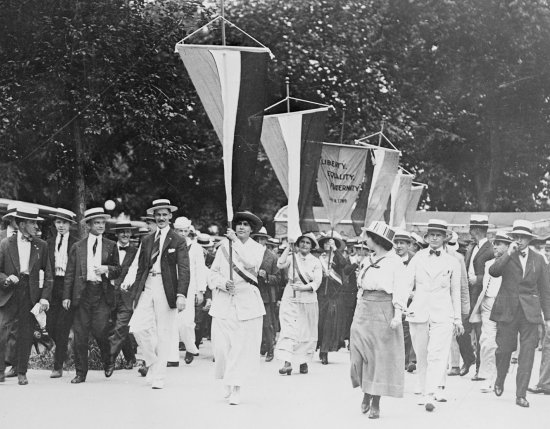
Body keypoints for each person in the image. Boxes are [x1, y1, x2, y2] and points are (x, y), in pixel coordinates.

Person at [128, 199, 189, 389]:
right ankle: (153, 363)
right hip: (147, 286)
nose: (161, 218)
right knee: (136, 328)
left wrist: (181, 294)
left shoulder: (178, 240)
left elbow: (184, 269)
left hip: (167, 288)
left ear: (170, 216)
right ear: (154, 217)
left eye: (164, 214)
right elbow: (140, 269)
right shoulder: (147, 240)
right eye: (158, 215)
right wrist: (135, 294)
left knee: (164, 333)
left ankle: (159, 376)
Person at [489, 220, 550, 408]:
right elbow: (494, 271)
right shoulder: (507, 255)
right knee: (504, 350)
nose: (520, 240)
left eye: (523, 237)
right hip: (507, 309)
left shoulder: (539, 259)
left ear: (529, 239)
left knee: (527, 354)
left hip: (530, 313)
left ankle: (521, 394)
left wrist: (547, 317)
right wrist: (508, 253)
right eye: (516, 237)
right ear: (512, 238)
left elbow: (544, 289)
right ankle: (500, 378)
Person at [350, 222, 408, 419]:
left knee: (379, 357)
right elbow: (360, 287)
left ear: (377, 239)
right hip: (364, 307)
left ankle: (374, 399)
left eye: (368, 236)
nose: (365, 240)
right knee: (358, 353)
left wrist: (398, 314)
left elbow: (401, 288)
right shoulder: (367, 260)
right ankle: (366, 389)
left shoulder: (395, 262)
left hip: (384, 308)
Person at [208, 211, 265, 405]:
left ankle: (236, 387)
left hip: (247, 302)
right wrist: (223, 283)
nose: (241, 227)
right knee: (222, 347)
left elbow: (251, 263)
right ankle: (227, 378)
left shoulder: (257, 248)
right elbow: (212, 274)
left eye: (245, 225)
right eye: (239, 224)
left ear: (251, 230)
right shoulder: (224, 247)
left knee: (240, 348)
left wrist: (236, 242)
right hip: (225, 301)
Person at [406, 219, 464, 412]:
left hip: (443, 312)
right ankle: (424, 389)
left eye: (438, 235)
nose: (434, 238)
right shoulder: (418, 258)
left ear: (445, 238)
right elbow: (407, 283)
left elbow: (456, 291)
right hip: (419, 310)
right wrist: (400, 307)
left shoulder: (453, 262)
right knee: (422, 353)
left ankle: (431, 392)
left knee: (437, 353)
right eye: (431, 235)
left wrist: (457, 318)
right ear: (426, 237)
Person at [63, 207, 121, 384]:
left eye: (103, 222)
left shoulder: (111, 245)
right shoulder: (78, 247)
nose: (101, 226)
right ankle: (81, 373)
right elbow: (70, 272)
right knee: (80, 335)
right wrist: (67, 296)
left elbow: (118, 270)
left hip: (101, 294)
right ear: (88, 225)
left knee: (101, 331)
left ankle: (108, 359)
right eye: (97, 222)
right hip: (82, 293)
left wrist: (107, 269)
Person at [0, 206, 53, 385]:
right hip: (9, 292)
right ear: (22, 225)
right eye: (32, 223)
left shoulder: (42, 245)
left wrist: (44, 297)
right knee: (3, 331)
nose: (36, 226)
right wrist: (6, 279)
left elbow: (48, 275)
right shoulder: (5, 244)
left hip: (30, 293)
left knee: (25, 334)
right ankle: (0, 371)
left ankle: (22, 372)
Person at [275, 232, 322, 376]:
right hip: (291, 296)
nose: (304, 245)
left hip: (307, 297)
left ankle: (303, 361)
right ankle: (287, 363)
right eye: (302, 242)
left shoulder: (315, 262)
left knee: (305, 331)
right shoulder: (292, 258)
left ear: (312, 246)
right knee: (289, 328)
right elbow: (280, 264)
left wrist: (302, 288)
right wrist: (288, 248)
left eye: (308, 243)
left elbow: (317, 282)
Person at [469, 231, 511, 393]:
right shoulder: (488, 265)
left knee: (502, 344)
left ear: (508, 246)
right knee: (487, 341)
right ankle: (487, 377)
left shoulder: (513, 263)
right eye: (494, 242)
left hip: (506, 306)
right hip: (487, 304)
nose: (495, 246)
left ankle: (498, 377)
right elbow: (482, 287)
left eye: (499, 243)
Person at [459, 214, 493, 378]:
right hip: (467, 295)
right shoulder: (471, 247)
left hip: (481, 296)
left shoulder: (491, 249)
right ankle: (469, 358)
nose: (470, 231)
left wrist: (477, 279)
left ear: (477, 230)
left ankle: (480, 368)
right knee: (461, 330)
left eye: (471, 228)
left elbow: (494, 273)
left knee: (480, 334)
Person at [169, 216, 206, 365]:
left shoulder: (195, 247)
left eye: (185, 231)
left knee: (186, 322)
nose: (182, 234)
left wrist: (201, 290)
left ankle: (190, 347)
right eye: (179, 231)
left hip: (190, 287)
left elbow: (200, 269)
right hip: (171, 285)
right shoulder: (170, 244)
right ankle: (172, 357)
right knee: (171, 321)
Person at [46, 208, 78, 378]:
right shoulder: (48, 242)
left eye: (64, 223)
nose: (61, 226)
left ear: (70, 225)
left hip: (68, 285)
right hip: (52, 286)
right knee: (49, 325)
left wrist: (71, 292)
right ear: (54, 224)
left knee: (62, 327)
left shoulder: (76, 243)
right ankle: (63, 350)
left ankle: (57, 366)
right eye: (58, 222)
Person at [107, 220, 139, 371]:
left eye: (128, 231)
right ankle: (131, 358)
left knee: (121, 326)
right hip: (110, 293)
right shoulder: (110, 249)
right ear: (116, 234)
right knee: (116, 326)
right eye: (122, 232)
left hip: (127, 294)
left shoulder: (136, 251)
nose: (125, 234)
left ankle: (110, 359)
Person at [317, 231, 347, 364]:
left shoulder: (338, 257)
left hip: (335, 294)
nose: (327, 244)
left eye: (330, 242)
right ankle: (320, 347)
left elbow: (344, 264)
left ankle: (325, 350)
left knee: (330, 322)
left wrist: (335, 249)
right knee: (321, 322)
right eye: (326, 242)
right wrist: (323, 275)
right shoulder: (319, 259)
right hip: (322, 294)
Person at [252, 227, 280, 362]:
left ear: (266, 241)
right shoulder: (248, 253)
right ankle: (256, 348)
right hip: (251, 292)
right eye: (256, 238)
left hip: (266, 294)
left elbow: (279, 278)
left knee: (267, 324)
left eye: (262, 239)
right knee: (251, 323)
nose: (259, 241)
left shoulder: (272, 257)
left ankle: (270, 349)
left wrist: (267, 276)